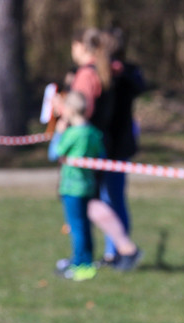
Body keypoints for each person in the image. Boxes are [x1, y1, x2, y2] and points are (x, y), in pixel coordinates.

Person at [49, 91, 142, 281]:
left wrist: (58, 133)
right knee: (85, 227)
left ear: (70, 110)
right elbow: (100, 155)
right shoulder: (93, 133)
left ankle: (80, 265)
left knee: (77, 228)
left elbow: (54, 153)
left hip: (71, 189)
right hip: (89, 185)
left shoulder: (72, 134)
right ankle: (86, 262)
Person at [99, 27, 146, 263]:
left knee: (114, 198)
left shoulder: (129, 72)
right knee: (104, 198)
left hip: (119, 145)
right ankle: (112, 251)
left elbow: (140, 87)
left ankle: (120, 250)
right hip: (102, 143)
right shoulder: (97, 72)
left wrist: (122, 73)